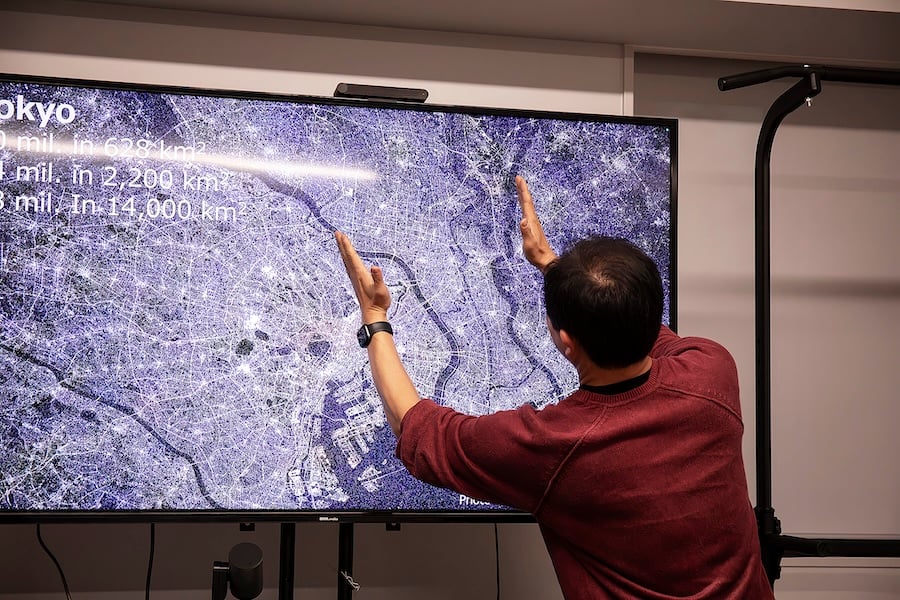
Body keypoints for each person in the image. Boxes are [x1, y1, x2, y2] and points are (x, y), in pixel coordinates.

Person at [335, 176, 774, 599]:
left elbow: (417, 428)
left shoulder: (555, 447)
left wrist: (375, 318)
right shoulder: (712, 371)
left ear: (566, 342)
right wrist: (551, 265)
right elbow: (629, 316)